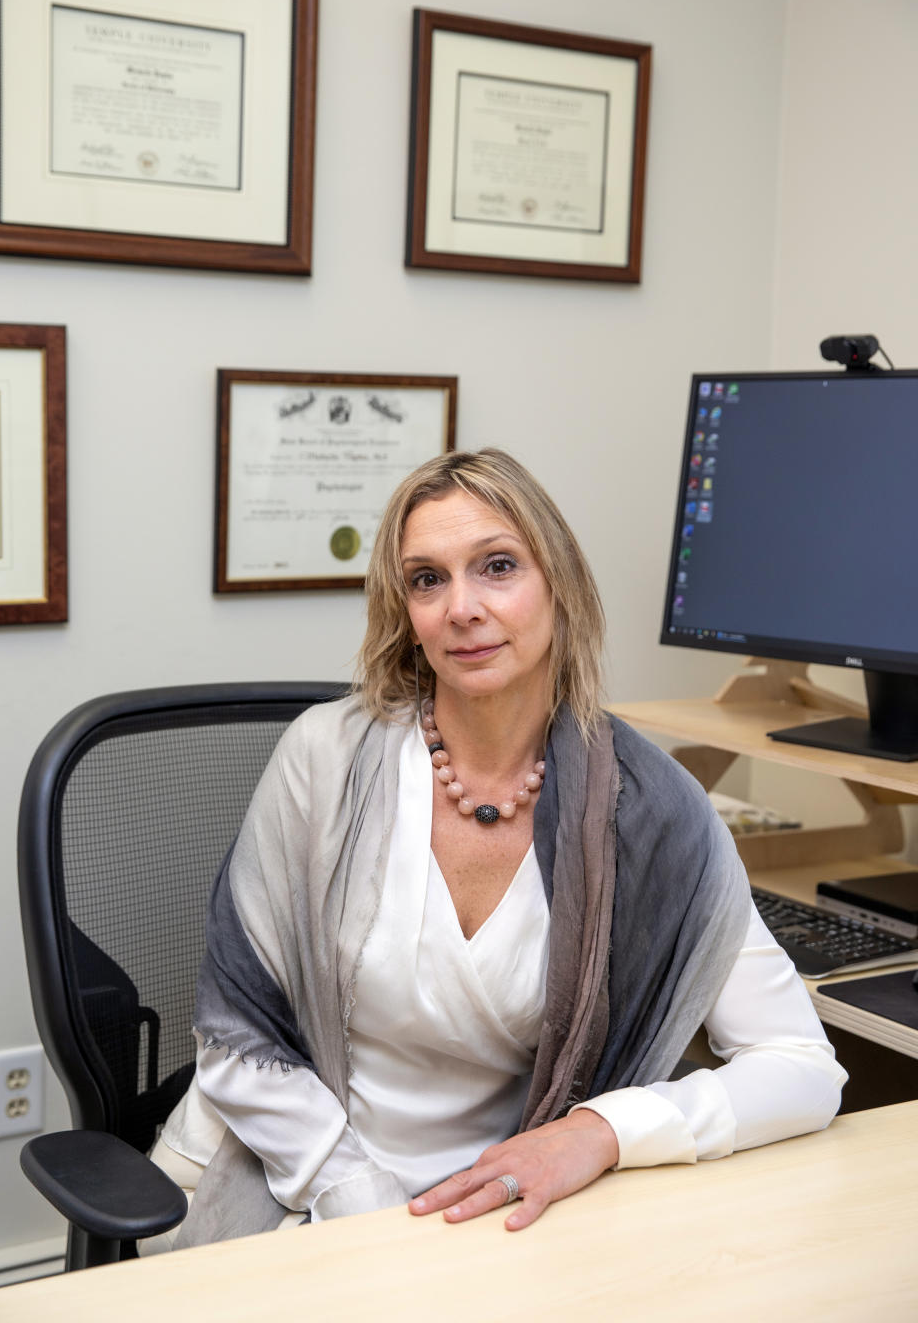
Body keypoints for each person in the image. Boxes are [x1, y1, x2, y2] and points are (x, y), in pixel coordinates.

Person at [150, 448, 846, 1248]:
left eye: (498, 566)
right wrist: (364, 1207)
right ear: (403, 610)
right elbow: (234, 1037)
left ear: (561, 586)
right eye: (427, 579)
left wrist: (597, 1132)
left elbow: (800, 1065)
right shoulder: (324, 759)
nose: (462, 608)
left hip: (507, 1209)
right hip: (289, 1177)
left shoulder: (647, 808)